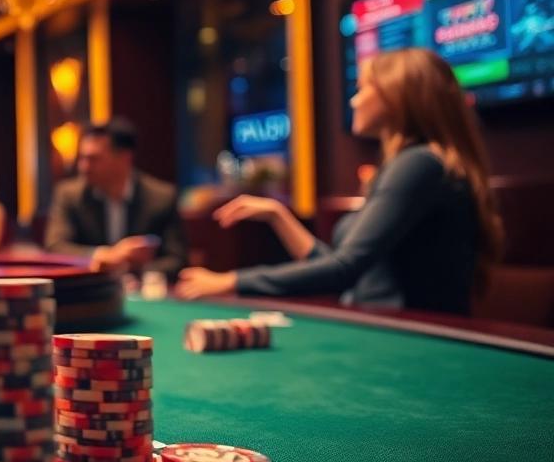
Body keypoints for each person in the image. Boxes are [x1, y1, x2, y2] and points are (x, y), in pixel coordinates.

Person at [175, 47, 503, 316]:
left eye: (364, 88)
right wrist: (278, 215)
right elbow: (344, 270)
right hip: (387, 335)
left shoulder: (419, 164)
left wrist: (229, 281)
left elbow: (343, 269)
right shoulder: (412, 165)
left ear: (399, 96)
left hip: (416, 345)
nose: (354, 100)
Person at [44, 119, 188, 278]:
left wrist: (129, 270)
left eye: (94, 159)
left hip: (144, 294)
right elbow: (55, 247)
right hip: (92, 292)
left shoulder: (162, 197)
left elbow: (178, 260)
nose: (83, 167)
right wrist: (105, 255)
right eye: (82, 158)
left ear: (125, 159)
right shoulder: (69, 194)